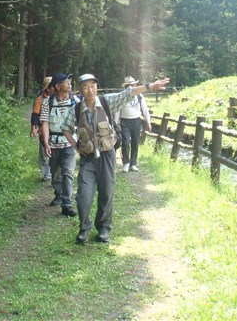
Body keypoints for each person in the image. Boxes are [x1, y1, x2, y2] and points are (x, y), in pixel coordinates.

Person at [61, 73, 169, 244]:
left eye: (93, 86)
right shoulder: (76, 109)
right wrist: (76, 146)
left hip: (106, 156)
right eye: (85, 87)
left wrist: (149, 86)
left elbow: (128, 93)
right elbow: (65, 128)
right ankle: (84, 228)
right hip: (88, 159)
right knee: (83, 197)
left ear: (96, 86)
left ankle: (103, 229)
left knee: (106, 193)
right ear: (80, 90)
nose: (90, 90)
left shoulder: (106, 101)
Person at [40, 73, 79, 217]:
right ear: (57, 86)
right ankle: (59, 194)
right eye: (65, 82)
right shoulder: (47, 102)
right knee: (56, 174)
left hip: (69, 144)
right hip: (53, 144)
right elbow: (45, 122)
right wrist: (45, 143)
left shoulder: (74, 101)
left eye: (69, 82)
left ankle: (67, 204)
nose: (69, 84)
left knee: (68, 172)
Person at [116, 76, 152, 173]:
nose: (131, 87)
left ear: (136, 85)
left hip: (136, 121)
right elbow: (117, 110)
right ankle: (126, 163)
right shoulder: (122, 96)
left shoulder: (140, 96)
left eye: (133, 85)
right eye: (129, 85)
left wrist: (148, 121)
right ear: (126, 87)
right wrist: (115, 124)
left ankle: (133, 163)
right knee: (125, 142)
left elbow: (145, 110)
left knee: (135, 142)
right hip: (124, 121)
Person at [30, 76, 54, 182]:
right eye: (53, 86)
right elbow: (35, 114)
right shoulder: (40, 99)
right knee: (44, 152)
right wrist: (33, 127)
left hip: (56, 129)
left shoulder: (59, 98)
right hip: (43, 129)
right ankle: (46, 174)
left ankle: (55, 172)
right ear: (48, 88)